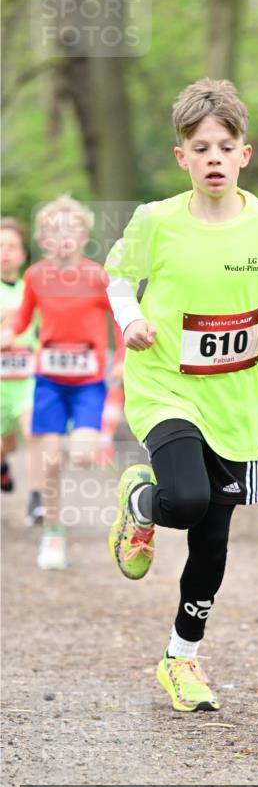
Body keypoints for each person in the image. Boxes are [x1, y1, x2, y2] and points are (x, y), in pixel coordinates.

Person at [105, 77, 258, 712]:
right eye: (200, 148)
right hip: (165, 385)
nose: (213, 159)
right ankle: (144, 500)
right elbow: (118, 278)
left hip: (236, 402)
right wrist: (131, 322)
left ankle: (182, 660)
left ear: (244, 154)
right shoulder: (157, 221)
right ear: (182, 156)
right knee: (186, 498)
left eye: (225, 147)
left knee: (212, 540)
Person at [1, 196, 125, 569]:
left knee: (84, 454)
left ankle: (92, 446)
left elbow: (121, 319)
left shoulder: (96, 276)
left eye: (71, 230)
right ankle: (54, 533)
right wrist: (9, 333)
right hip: (49, 381)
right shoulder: (36, 277)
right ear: (42, 239)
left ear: (85, 236)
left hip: (88, 383)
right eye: (55, 231)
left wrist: (122, 357)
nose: (64, 237)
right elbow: (23, 321)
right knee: (50, 460)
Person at [0, 217, 43, 523]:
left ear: (22, 254)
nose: (5, 252)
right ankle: (2, 465)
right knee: (6, 444)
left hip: (27, 377)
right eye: (0, 246)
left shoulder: (33, 288)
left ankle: (37, 498)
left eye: (12, 246)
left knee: (35, 434)